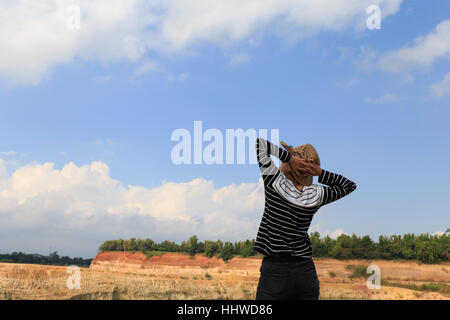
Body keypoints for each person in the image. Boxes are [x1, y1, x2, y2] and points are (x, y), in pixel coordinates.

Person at [254, 138, 357, 300]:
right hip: (305, 272)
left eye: (286, 159)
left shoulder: (274, 183)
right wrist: (319, 172)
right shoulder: (316, 195)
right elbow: (349, 185)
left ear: (292, 166)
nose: (282, 161)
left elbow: (260, 144)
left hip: (275, 273)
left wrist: (290, 158)